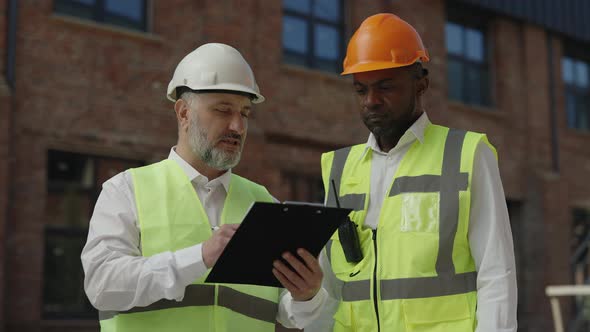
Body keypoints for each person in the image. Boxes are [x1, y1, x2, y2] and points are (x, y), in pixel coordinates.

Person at [81, 43, 326, 332]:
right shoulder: (126, 190)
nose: (237, 126)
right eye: (223, 110)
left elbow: (292, 313)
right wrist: (198, 257)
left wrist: (307, 297)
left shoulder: (265, 203)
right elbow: (102, 285)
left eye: (245, 113)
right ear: (184, 113)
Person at [306, 13, 518, 331]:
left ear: (421, 84)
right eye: (361, 90)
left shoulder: (466, 155)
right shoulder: (338, 169)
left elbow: (496, 275)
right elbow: (330, 291)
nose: (371, 101)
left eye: (385, 87)